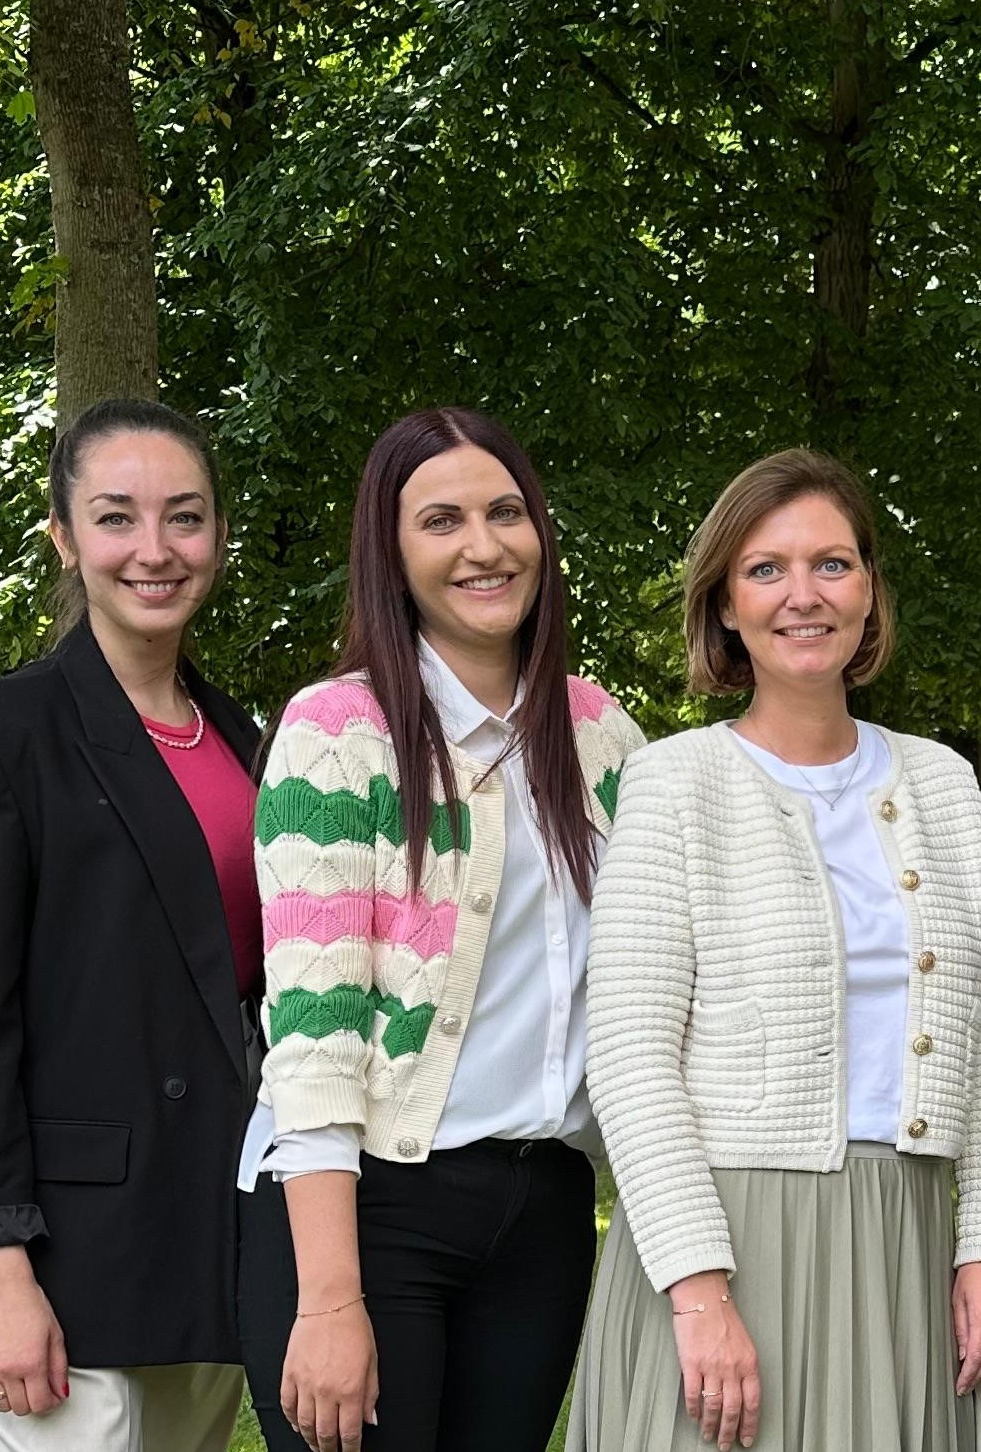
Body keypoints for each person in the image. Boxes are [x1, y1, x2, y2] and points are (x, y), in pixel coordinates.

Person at [572, 448, 981, 1452]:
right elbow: (631, 1056)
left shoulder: (943, 784)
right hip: (724, 1244)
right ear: (726, 605)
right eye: (766, 568)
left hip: (902, 1239)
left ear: (869, 593)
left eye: (832, 564)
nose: (803, 594)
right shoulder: (673, 783)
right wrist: (698, 1290)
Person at [235, 408, 649, 1452]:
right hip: (367, 1210)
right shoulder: (337, 732)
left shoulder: (603, 736)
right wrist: (329, 1302)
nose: (484, 544)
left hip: (545, 1211)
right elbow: (316, 1028)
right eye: (442, 519)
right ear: (393, 549)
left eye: (507, 512)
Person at [0, 397, 263, 1450]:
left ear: (218, 533)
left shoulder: (251, 738)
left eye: (185, 517)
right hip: (56, 1256)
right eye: (116, 517)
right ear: (64, 535)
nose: (155, 549)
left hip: (209, 1233)